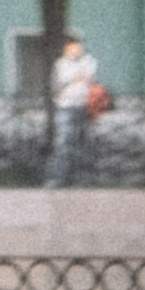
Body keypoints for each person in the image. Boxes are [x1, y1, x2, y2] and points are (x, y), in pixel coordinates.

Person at [47, 33, 101, 186]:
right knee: (63, 143)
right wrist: (76, 78)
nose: (75, 50)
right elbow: (59, 84)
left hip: (85, 106)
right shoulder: (60, 64)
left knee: (85, 143)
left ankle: (83, 180)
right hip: (66, 106)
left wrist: (76, 78)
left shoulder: (89, 61)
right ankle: (58, 179)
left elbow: (91, 79)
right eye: (71, 47)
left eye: (77, 47)